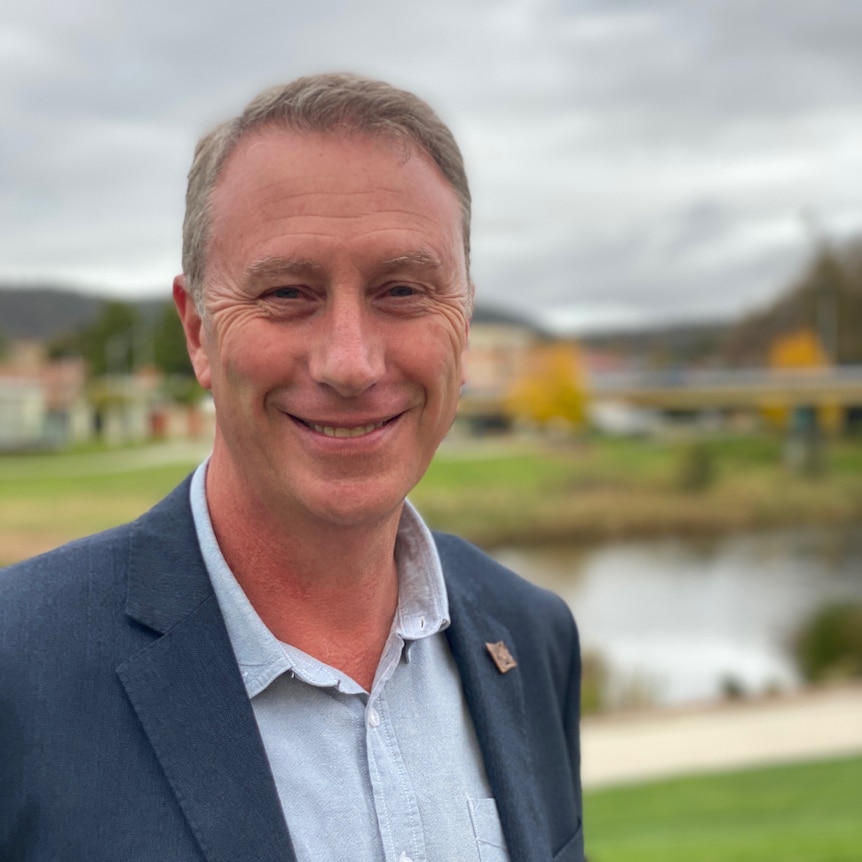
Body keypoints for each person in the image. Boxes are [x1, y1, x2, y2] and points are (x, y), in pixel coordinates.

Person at [0, 74, 584, 862]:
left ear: (465, 324)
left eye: (403, 290)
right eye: (286, 292)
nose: (350, 362)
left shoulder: (533, 637)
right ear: (198, 332)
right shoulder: (20, 666)